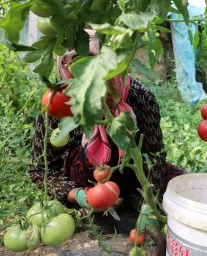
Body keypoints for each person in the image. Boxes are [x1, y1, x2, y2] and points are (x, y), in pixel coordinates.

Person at [28, 30, 182, 233]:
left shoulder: (139, 97)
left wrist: (149, 203)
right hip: (86, 179)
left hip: (131, 172)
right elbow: (38, 168)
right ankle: (101, 207)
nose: (92, 92)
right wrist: (78, 195)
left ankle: (133, 198)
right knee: (88, 153)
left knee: (178, 186)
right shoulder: (57, 105)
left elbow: (155, 153)